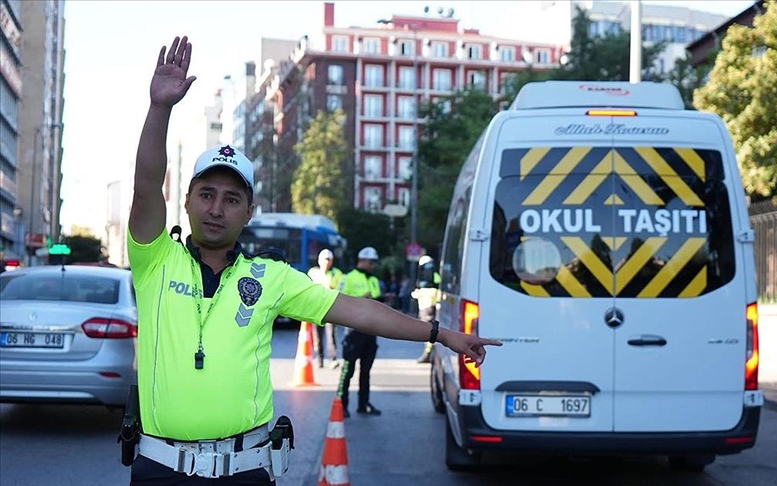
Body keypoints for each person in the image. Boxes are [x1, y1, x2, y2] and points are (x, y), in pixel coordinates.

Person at [125, 35, 501, 485]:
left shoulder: (269, 276)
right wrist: (160, 108)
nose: (216, 208)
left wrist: (440, 333)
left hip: (244, 472)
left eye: (231, 199)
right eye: (206, 195)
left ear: (249, 213)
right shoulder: (155, 260)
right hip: (161, 471)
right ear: (186, 202)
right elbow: (147, 185)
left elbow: (359, 310)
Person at [336, 247, 384, 417]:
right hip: (354, 331)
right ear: (362, 260)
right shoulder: (347, 278)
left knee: (366, 370)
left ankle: (363, 404)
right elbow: (338, 301)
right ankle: (341, 404)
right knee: (348, 370)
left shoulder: (374, 280)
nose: (373, 266)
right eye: (371, 263)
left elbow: (377, 302)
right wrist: (360, 299)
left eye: (375, 263)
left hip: (371, 331)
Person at [307, 248, 343, 368]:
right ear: (319, 261)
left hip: (331, 307)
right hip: (316, 308)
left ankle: (333, 359)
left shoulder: (337, 273)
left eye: (329, 260)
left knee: (331, 334)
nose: (326, 262)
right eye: (324, 260)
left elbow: (340, 288)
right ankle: (320, 359)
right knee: (317, 335)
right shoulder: (313, 272)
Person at [412, 255, 441, 363]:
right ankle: (429, 352)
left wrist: (418, 293)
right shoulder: (435, 274)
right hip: (430, 303)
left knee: (428, 330)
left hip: (427, 304)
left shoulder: (425, 274)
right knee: (430, 329)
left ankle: (428, 353)